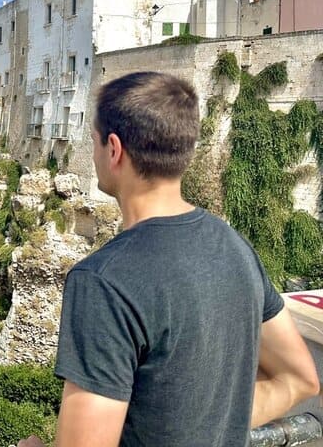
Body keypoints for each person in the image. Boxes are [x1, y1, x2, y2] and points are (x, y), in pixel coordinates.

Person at [18, 72, 319, 447]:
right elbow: (300, 379)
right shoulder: (236, 248)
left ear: (114, 149)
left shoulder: (104, 280)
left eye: (93, 141)